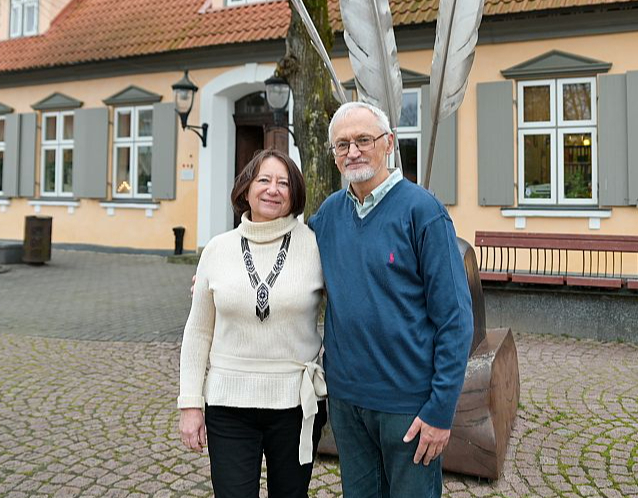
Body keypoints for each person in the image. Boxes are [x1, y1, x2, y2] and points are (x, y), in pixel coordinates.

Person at [308, 101, 474, 498]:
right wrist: (222, 270)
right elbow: (289, 263)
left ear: (389, 143)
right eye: (342, 144)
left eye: (364, 140)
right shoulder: (328, 215)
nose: (353, 151)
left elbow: (455, 319)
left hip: (409, 405)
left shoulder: (423, 211)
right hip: (347, 401)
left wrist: (440, 410)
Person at [177, 149, 328, 498]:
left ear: (294, 193)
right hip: (228, 405)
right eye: (264, 180)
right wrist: (190, 404)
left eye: (283, 183)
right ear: (246, 189)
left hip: (295, 405)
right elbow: (198, 331)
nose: (273, 189)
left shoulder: (315, 247)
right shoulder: (217, 249)